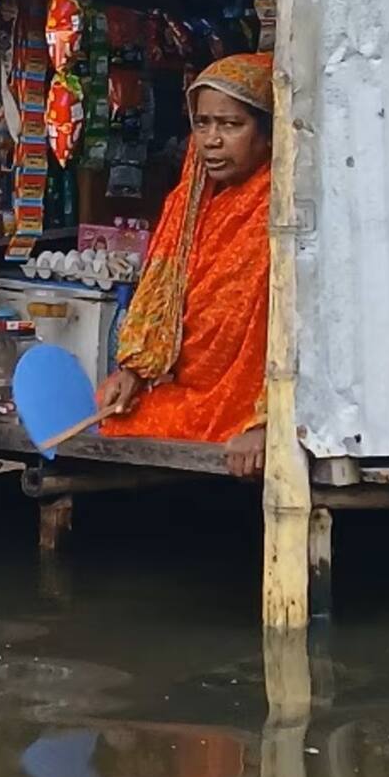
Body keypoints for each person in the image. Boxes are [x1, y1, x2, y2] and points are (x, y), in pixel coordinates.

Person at [95, 51, 272, 478]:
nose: (211, 140)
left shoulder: (283, 210)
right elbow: (163, 300)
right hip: (197, 393)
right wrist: (134, 373)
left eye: (231, 125)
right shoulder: (187, 202)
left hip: (254, 405)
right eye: (203, 123)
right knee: (119, 420)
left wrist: (268, 422)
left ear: (269, 133)